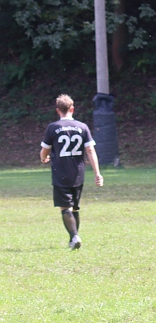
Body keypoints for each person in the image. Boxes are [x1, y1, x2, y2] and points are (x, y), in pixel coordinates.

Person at [39, 94, 104, 249]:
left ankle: (74, 236)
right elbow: (90, 150)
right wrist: (97, 173)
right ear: (72, 109)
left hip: (60, 172)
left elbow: (45, 150)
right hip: (78, 172)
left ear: (57, 110)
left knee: (65, 207)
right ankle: (73, 239)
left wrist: (43, 158)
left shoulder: (53, 127)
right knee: (75, 207)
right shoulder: (82, 127)